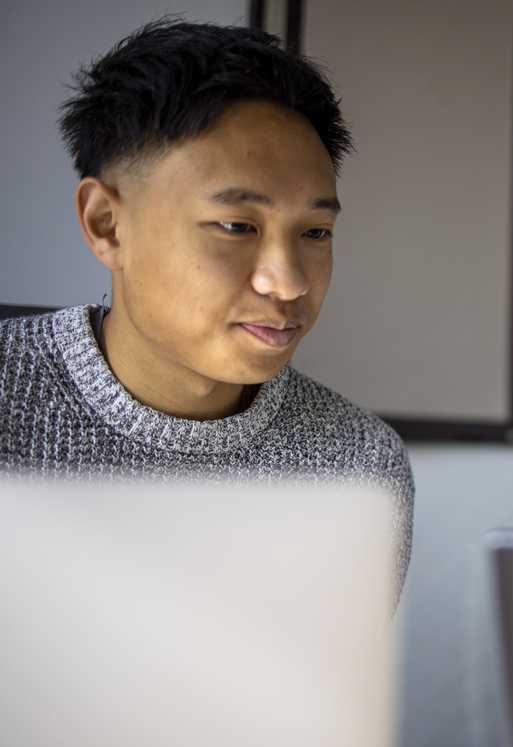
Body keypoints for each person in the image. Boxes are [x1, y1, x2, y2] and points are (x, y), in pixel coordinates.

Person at [0, 20, 413, 597]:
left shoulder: (357, 464)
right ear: (106, 224)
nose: (288, 282)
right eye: (236, 226)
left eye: (316, 233)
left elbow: (330, 687)